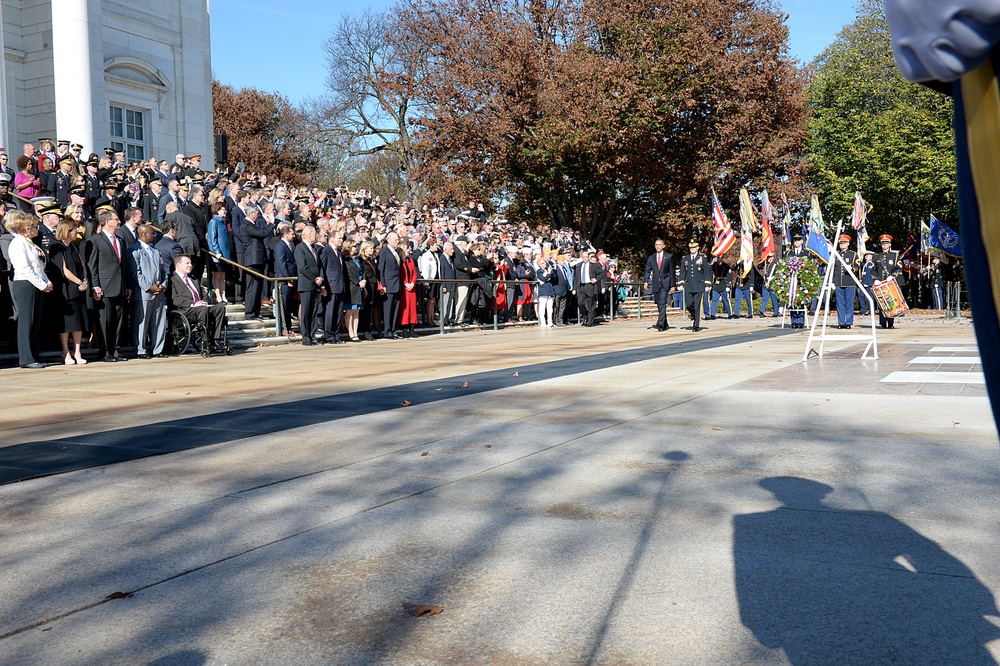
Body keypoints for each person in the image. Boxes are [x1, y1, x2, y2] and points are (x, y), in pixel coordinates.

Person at [6, 210, 52, 368]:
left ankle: (35, 354)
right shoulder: (18, 243)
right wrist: (42, 284)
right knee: (27, 321)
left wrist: (46, 281)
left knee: (36, 321)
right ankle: (26, 358)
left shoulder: (30, 243)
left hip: (36, 283)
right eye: (34, 226)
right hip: (25, 284)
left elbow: (38, 266)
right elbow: (25, 268)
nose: (37, 229)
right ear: (26, 228)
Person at [85, 208, 130, 361]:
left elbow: (123, 265)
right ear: (107, 222)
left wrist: (127, 284)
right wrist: (95, 286)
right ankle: (104, 351)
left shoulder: (120, 240)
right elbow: (92, 266)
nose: (119, 222)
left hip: (120, 286)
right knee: (105, 320)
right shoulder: (95, 240)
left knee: (118, 320)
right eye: (116, 219)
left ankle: (116, 349)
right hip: (104, 286)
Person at [48, 218, 90, 364]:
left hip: (79, 289)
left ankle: (77, 351)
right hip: (66, 290)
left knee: (79, 322)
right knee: (66, 323)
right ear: (66, 231)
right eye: (73, 230)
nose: (76, 232)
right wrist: (79, 282)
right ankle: (65, 350)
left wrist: (84, 280)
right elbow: (64, 269)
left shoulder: (74, 247)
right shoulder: (56, 247)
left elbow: (82, 265)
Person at [171, 254, 227, 352]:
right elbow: (175, 299)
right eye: (187, 263)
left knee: (220, 307)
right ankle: (205, 341)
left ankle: (215, 340)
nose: (190, 265)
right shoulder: (172, 279)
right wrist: (193, 303)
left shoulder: (193, 278)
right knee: (202, 309)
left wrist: (204, 302)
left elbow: (203, 294)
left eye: (191, 263)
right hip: (186, 309)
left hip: (200, 307)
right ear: (178, 265)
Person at [127, 224, 168, 358]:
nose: (155, 235)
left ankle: (157, 349)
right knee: (142, 323)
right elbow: (136, 272)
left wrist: (163, 285)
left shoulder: (156, 251)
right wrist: (149, 287)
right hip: (143, 293)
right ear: (144, 234)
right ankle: (141, 349)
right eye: (152, 233)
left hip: (158, 293)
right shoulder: (134, 250)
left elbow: (163, 271)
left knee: (159, 322)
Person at [241, 205, 274, 321]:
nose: (258, 215)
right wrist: (270, 224)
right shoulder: (246, 224)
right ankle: (250, 312)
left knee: (258, 287)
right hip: (252, 260)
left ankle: (256, 311)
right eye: (257, 213)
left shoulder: (252, 224)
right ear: (252, 213)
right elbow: (261, 234)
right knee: (252, 288)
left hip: (258, 259)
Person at [294, 225, 324, 345]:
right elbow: (303, 267)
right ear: (307, 235)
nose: (315, 236)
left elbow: (319, 265)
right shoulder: (300, 248)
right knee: (306, 312)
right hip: (307, 284)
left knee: (314, 312)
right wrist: (314, 279)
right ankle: (306, 337)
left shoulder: (314, 249)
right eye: (314, 234)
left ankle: (313, 335)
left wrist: (321, 278)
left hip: (316, 285)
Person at [677, 240, 712, 332]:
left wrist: (707, 284)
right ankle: (694, 315)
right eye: (690, 248)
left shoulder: (702, 258)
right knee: (689, 304)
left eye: (694, 247)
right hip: (689, 285)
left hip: (699, 284)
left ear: (697, 248)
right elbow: (683, 272)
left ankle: (696, 325)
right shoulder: (685, 259)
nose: (692, 249)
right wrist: (681, 283)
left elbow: (707, 272)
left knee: (697, 305)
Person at [643, 238, 675, 331]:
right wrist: (645, 281)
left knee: (662, 303)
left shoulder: (669, 257)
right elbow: (647, 270)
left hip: (665, 283)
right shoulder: (651, 257)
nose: (657, 246)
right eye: (656, 245)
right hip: (656, 283)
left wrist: (673, 285)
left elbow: (672, 272)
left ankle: (660, 323)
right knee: (658, 304)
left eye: (659, 244)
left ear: (663, 246)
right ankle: (665, 324)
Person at [320, 228, 346, 343]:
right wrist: (323, 286)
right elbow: (323, 269)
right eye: (339, 238)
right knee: (330, 312)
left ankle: (336, 334)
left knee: (338, 312)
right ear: (332, 239)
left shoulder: (339, 252)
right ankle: (329, 335)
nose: (341, 240)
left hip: (340, 286)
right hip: (331, 286)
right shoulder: (326, 250)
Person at [873, 234, 904, 329]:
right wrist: (875, 279)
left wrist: (893, 276)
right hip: (880, 283)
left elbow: (899, 268)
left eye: (886, 243)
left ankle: (891, 323)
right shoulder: (877, 256)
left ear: (890, 244)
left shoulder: (895, 256)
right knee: (882, 303)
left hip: (890, 283)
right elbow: (873, 269)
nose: (884, 245)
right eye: (883, 243)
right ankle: (882, 323)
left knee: (891, 303)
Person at [272, 224, 297, 336]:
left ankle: (288, 327)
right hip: (284, 280)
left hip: (290, 279)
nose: (294, 236)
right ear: (286, 234)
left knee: (289, 305)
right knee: (284, 305)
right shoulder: (280, 246)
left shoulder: (289, 245)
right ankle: (284, 328)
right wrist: (287, 278)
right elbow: (281, 263)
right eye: (292, 234)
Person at [378, 232, 402, 339]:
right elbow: (381, 270)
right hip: (388, 284)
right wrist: (383, 285)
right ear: (389, 240)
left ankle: (393, 330)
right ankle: (387, 331)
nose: (397, 242)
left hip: (397, 284)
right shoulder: (384, 252)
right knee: (388, 309)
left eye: (398, 240)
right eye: (395, 240)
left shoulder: (396, 252)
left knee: (395, 309)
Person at [206, 201, 231, 304]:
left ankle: (224, 295)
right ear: (217, 211)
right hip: (217, 255)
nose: (224, 211)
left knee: (222, 275)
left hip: (225, 253)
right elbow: (212, 239)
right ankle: (218, 296)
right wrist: (216, 251)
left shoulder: (222, 222)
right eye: (222, 209)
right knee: (217, 275)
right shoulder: (213, 222)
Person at [573, 250, 605, 326]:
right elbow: (576, 278)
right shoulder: (579, 266)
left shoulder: (594, 265)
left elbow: (601, 273)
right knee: (580, 303)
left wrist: (596, 279)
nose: (585, 258)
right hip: (581, 287)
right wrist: (575, 288)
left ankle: (590, 321)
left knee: (591, 305)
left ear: (588, 257)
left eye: (586, 257)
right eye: (583, 257)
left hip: (590, 286)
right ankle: (585, 316)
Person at [832, 234, 858, 329]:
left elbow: (858, 266)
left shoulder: (853, 254)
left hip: (850, 282)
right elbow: (833, 269)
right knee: (840, 304)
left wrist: (852, 268)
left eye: (844, 243)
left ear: (848, 243)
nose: (842, 244)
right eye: (841, 243)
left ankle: (848, 322)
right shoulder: (835, 254)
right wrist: (832, 282)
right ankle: (841, 322)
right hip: (839, 282)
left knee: (849, 303)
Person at [341, 240, 364, 341]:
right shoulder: (346, 260)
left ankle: (355, 332)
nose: (356, 248)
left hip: (359, 287)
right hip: (351, 287)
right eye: (354, 246)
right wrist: (357, 282)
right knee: (350, 311)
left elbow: (361, 271)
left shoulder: (356, 259)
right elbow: (348, 274)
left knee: (356, 311)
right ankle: (350, 333)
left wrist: (363, 280)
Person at [398, 243, 419, 337]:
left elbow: (414, 273)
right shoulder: (400, 262)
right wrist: (405, 283)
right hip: (404, 288)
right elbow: (400, 275)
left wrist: (412, 283)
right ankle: (404, 329)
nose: (409, 251)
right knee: (405, 308)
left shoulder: (410, 260)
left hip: (411, 288)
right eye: (407, 249)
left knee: (412, 308)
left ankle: (412, 328)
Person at [439, 241, 457, 326]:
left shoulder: (449, 259)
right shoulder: (442, 258)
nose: (453, 251)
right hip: (446, 284)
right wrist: (443, 285)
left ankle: (448, 318)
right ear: (445, 249)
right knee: (445, 303)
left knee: (450, 302)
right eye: (451, 249)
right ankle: (443, 319)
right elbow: (442, 272)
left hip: (452, 284)